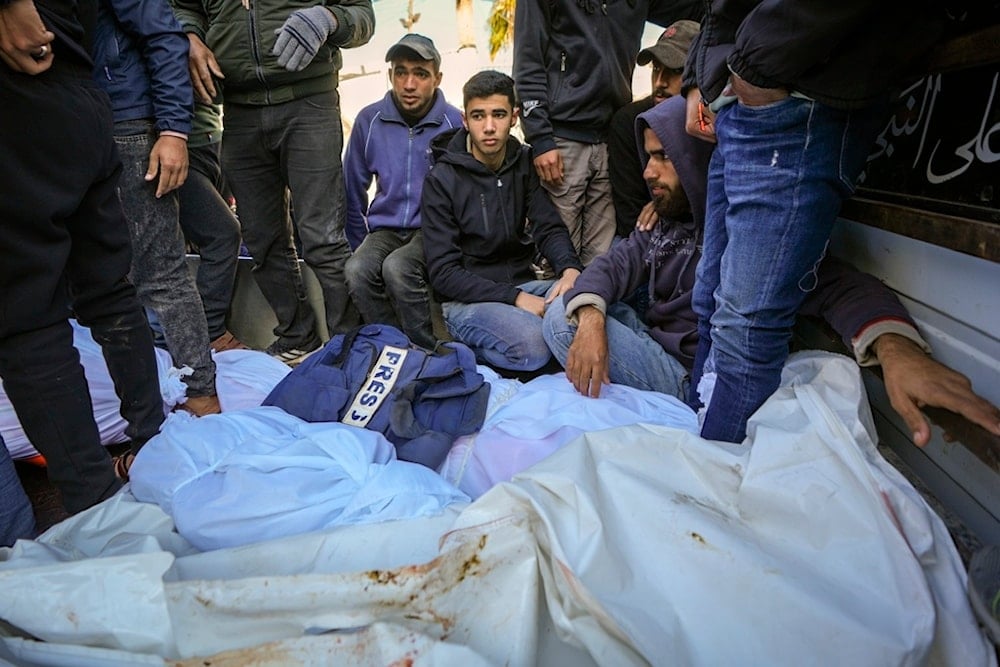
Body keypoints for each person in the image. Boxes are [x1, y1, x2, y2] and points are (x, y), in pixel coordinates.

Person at [543, 95, 1000, 448]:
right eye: (648, 157)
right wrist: (593, 316)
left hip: (688, 375)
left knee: (555, 319)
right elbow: (615, 263)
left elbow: (841, 286)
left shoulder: (753, 236)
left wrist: (899, 351)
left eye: (664, 157)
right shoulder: (664, 221)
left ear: (696, 161)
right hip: (650, 339)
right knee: (578, 301)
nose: (648, 172)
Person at [681, 1, 944, 443]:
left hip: (788, 91)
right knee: (712, 301)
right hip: (747, 97)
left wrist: (753, 66)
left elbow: (829, 287)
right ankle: (704, 442)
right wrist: (702, 79)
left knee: (744, 326)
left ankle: (717, 476)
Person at [0, 0, 165, 510]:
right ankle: (156, 447)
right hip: (81, 91)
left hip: (21, 83)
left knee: (26, 309)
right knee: (110, 288)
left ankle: (96, 504)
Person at [171, 0, 374, 365]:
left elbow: (361, 15)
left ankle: (349, 345)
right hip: (238, 111)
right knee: (262, 241)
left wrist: (328, 18)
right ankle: (297, 335)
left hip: (310, 103)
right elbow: (185, 7)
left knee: (323, 239)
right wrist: (188, 35)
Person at [92, 0, 221, 417]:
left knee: (161, 275)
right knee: (103, 282)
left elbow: (164, 36)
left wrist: (172, 129)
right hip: (74, 124)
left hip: (128, 124)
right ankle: (144, 412)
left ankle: (202, 398)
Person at [512, 0, 700, 265]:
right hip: (561, 140)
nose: (662, 78)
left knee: (599, 259)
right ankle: (551, 305)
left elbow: (702, 10)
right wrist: (541, 138)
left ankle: (591, 304)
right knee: (557, 259)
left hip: (609, 135)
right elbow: (528, 61)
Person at [421, 70, 584, 373]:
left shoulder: (522, 162)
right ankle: (462, 350)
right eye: (479, 116)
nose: (489, 127)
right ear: (464, 120)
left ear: (514, 117)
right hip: (465, 302)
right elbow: (444, 274)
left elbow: (547, 226)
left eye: (498, 114)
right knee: (534, 347)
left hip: (523, 285)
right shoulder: (442, 179)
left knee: (585, 304)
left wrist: (570, 268)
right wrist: (515, 298)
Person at [343, 34, 462, 350]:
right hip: (384, 231)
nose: (409, 84)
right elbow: (352, 190)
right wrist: (359, 244)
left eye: (421, 74)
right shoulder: (370, 120)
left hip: (431, 231)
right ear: (391, 75)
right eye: (400, 72)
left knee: (398, 268)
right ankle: (392, 345)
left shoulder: (454, 123)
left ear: (437, 78)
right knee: (357, 269)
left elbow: (465, 190)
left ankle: (425, 349)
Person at [177, 36, 246, 354]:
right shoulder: (159, 22)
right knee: (223, 234)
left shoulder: (214, 22)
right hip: (178, 147)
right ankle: (209, 331)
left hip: (214, 141)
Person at [608, 19, 698, 239]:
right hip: (645, 238)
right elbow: (632, 216)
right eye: (656, 68)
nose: (660, 82)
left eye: (674, 70)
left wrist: (669, 205)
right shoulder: (629, 122)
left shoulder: (711, 123)